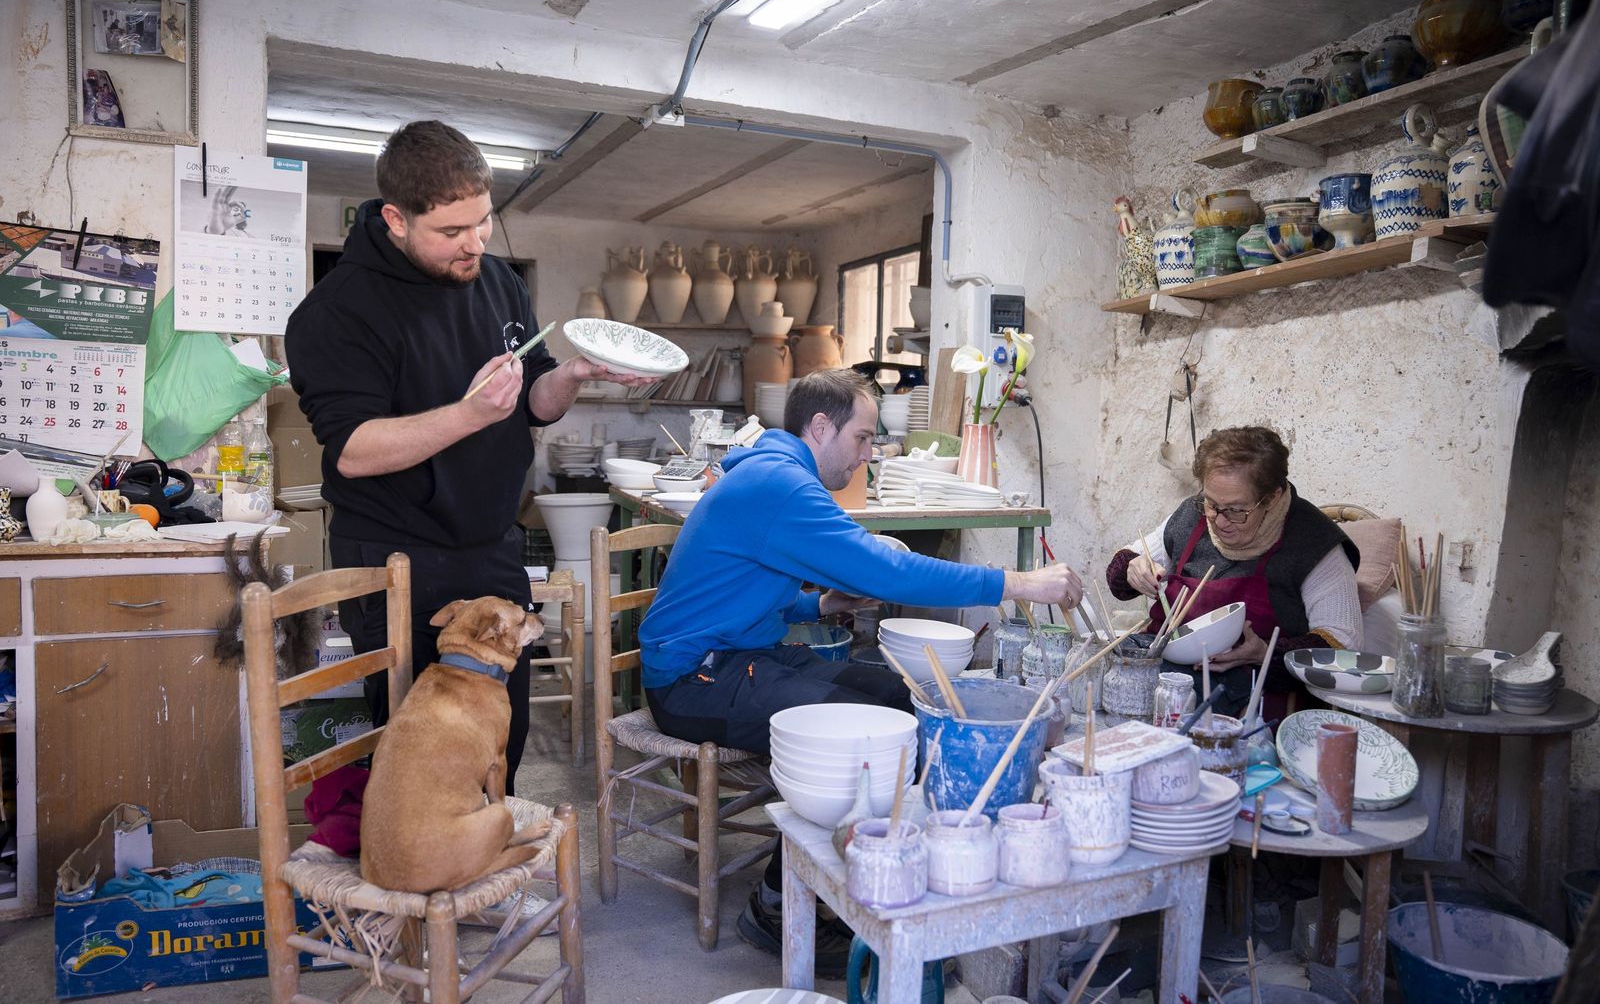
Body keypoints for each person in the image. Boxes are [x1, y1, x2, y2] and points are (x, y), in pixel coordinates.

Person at [638, 368, 1084, 972]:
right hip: (694, 680)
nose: (869, 457)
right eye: (863, 439)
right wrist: (1018, 581)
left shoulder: (771, 471)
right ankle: (775, 907)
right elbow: (889, 572)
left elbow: (738, 590)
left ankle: (901, 867)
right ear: (819, 427)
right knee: (864, 740)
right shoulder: (779, 485)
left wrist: (817, 605)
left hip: (740, 654)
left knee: (907, 694)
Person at [285, 120, 652, 803]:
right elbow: (356, 452)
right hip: (398, 554)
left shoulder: (496, 284)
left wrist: (571, 376)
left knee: (496, 733)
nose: (474, 244)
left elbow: (533, 402)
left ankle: (477, 867)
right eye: (452, 232)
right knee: (420, 739)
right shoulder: (337, 313)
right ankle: (422, 887)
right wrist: (469, 413)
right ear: (395, 218)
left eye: (483, 222)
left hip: (489, 543)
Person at [1105, 425, 1361, 717]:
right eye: (1211, 504)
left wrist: (1266, 654)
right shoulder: (1193, 513)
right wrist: (1132, 569)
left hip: (1249, 690)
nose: (1219, 520)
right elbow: (1125, 567)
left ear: (1273, 497)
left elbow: (1343, 647)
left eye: (1237, 510)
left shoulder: (1314, 543)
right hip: (1164, 664)